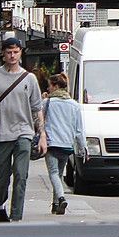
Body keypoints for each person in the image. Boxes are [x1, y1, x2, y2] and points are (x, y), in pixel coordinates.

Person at [0, 36, 46, 222]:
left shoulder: (29, 79)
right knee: (2, 179)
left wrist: (42, 136)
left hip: (23, 132)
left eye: (16, 52)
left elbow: (37, 109)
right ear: (3, 54)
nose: (12, 55)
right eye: (9, 52)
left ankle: (16, 219)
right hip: (0, 134)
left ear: (21, 53)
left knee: (21, 175)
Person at [43, 72, 84, 215]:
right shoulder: (75, 105)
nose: (48, 89)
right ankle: (55, 205)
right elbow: (79, 129)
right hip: (67, 144)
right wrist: (83, 148)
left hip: (52, 143)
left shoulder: (47, 102)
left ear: (55, 86)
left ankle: (61, 198)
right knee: (59, 174)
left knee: (53, 173)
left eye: (49, 86)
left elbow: (39, 121)